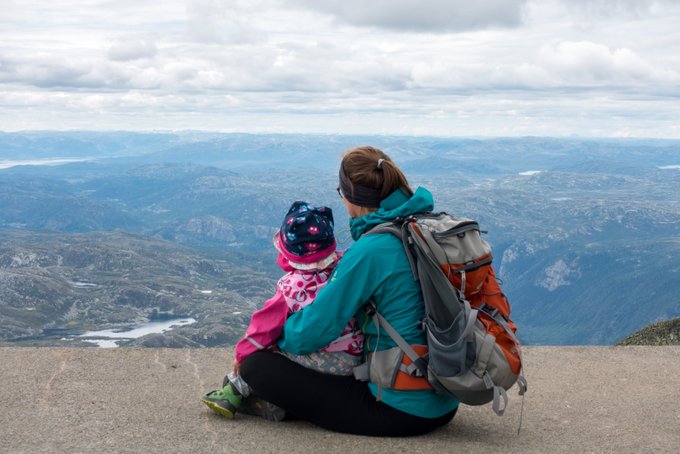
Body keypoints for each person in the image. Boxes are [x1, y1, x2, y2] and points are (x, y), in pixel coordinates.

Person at [236, 146, 458, 436]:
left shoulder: (371, 250)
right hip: (446, 397)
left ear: (349, 196)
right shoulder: (425, 227)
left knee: (256, 367)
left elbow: (312, 332)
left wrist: (276, 336)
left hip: (399, 409)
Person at [202, 201, 363, 420]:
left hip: (325, 360)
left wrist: (241, 356)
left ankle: (232, 393)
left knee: (263, 355)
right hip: (354, 359)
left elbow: (262, 330)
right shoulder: (345, 267)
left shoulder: (291, 288)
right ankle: (271, 402)